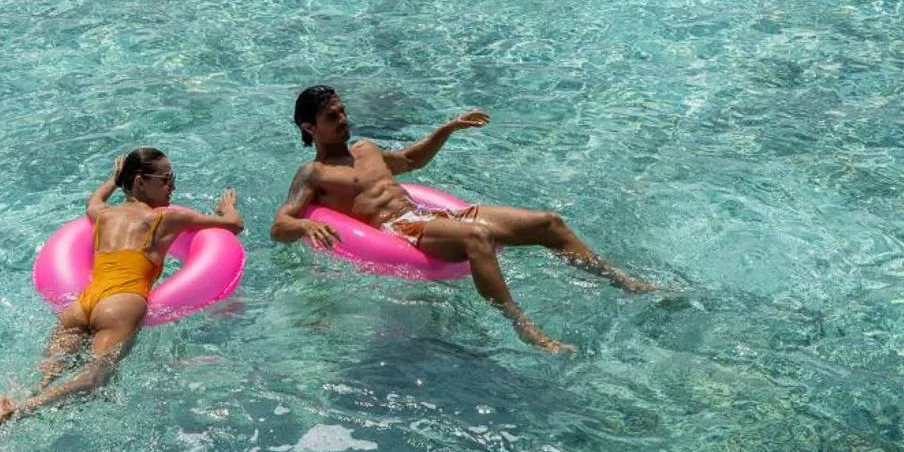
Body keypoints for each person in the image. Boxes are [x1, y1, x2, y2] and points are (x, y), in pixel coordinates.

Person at [270, 85, 655, 353]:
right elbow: (279, 225)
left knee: (548, 222)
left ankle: (622, 281)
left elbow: (409, 161)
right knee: (477, 239)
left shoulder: (366, 149)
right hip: (399, 229)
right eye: (331, 116)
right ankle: (523, 326)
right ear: (309, 127)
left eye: (342, 111)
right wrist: (305, 224)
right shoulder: (313, 174)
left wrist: (447, 129)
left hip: (427, 214)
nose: (342, 119)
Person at [0, 149, 243, 447]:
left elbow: (94, 201)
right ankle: (18, 412)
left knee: (45, 376)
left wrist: (111, 181)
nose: (172, 187)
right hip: (121, 305)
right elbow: (234, 226)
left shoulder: (104, 215)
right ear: (140, 181)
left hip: (81, 305)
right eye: (166, 179)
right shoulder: (166, 218)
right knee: (94, 380)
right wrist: (226, 208)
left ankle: (7, 402)